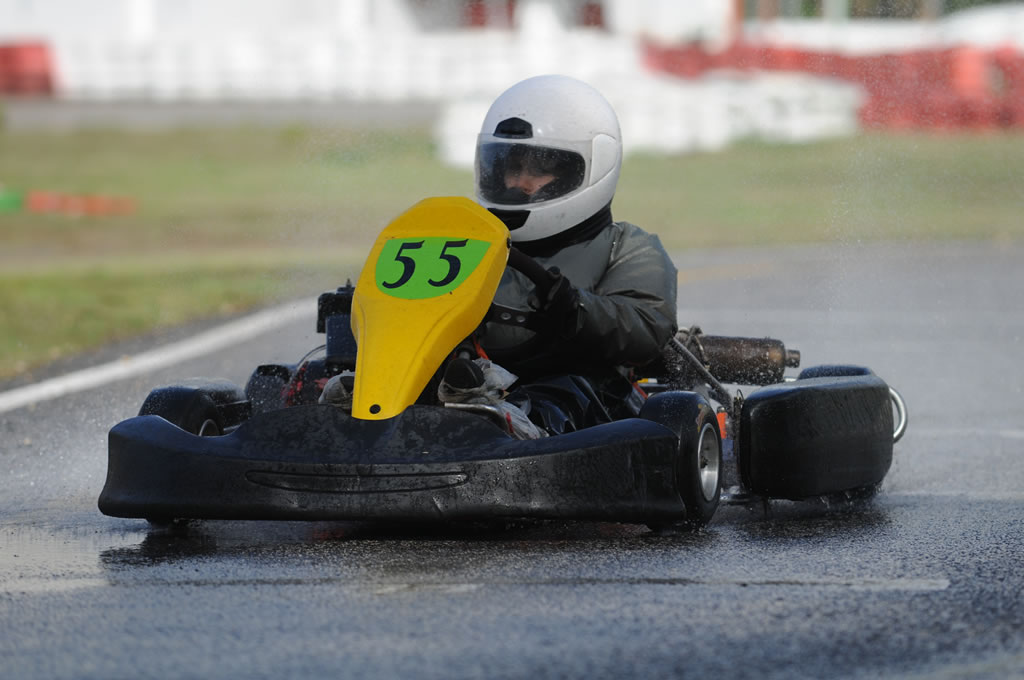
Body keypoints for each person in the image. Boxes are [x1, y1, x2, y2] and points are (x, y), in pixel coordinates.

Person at [441, 74, 679, 435]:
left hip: (586, 404)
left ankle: (522, 427)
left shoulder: (626, 246)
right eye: (512, 167)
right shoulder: (467, 244)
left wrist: (575, 309)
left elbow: (645, 327)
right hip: (473, 381)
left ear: (588, 169)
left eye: (541, 169)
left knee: (566, 390)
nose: (520, 183)